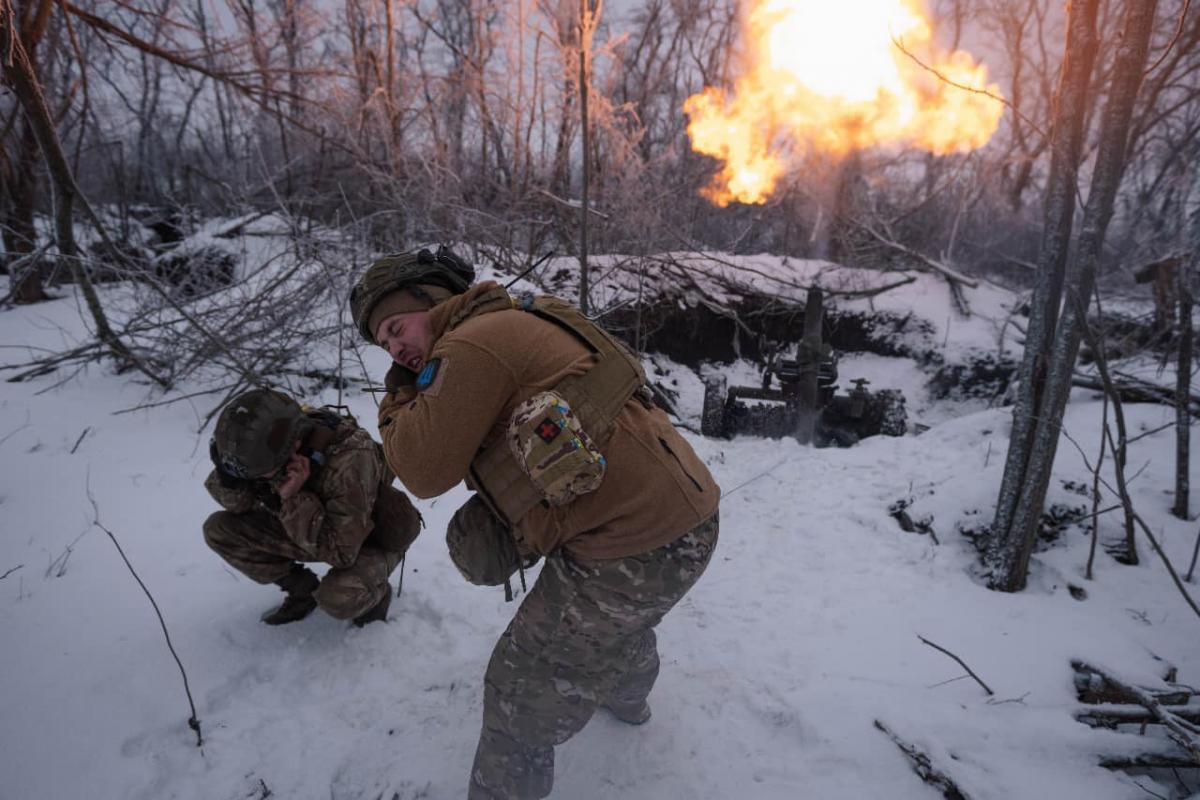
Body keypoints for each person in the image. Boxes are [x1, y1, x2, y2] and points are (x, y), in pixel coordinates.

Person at [350, 247, 721, 798]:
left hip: (632, 549)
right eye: (384, 343)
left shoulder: (471, 345)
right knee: (608, 626)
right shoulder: (520, 313)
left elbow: (421, 470)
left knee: (518, 690)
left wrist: (398, 394)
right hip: (682, 521)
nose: (395, 348)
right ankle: (627, 696)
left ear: (432, 299)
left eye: (397, 327)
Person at [203, 388, 421, 626]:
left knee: (340, 596)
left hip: (370, 536)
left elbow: (341, 554)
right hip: (314, 527)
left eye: (261, 474)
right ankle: (302, 590)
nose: (257, 478)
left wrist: (292, 499)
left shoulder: (349, 460)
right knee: (220, 530)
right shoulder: (262, 452)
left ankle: (375, 596)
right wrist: (228, 477)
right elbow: (238, 504)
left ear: (294, 446)